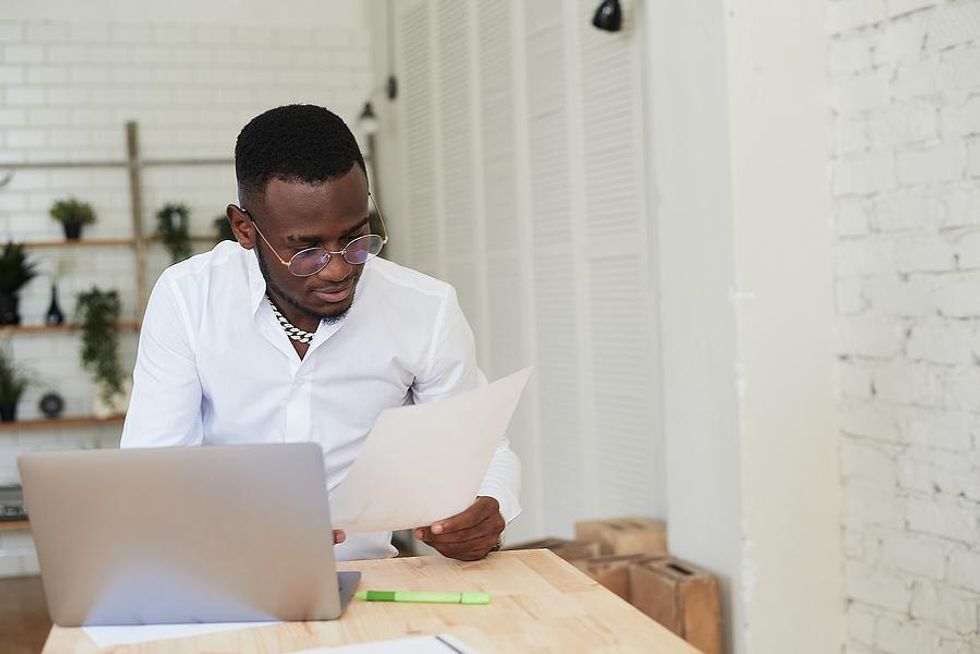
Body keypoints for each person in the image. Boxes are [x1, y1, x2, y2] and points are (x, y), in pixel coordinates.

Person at [120, 104, 520, 561]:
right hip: (223, 574)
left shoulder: (424, 309)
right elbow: (153, 472)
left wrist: (491, 508)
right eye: (306, 250)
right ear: (245, 229)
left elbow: (478, 452)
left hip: (371, 585)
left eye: (356, 238)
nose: (336, 269)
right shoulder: (189, 299)